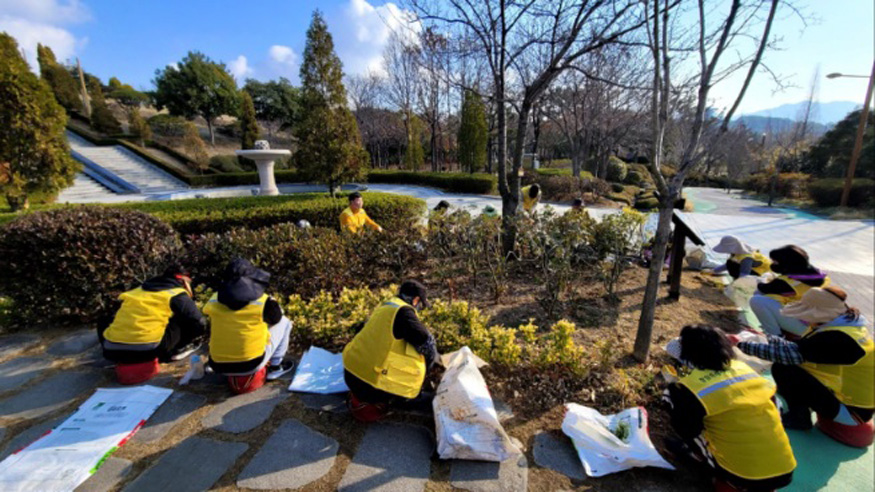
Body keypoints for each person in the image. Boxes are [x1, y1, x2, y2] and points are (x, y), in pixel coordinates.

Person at [665, 325, 796, 491]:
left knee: (671, 400)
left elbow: (687, 430)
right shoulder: (743, 369)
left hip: (743, 475)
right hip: (785, 471)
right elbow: (777, 410)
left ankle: (698, 458)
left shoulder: (688, 387)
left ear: (687, 355)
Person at [735, 287, 873, 444]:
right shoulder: (844, 326)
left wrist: (740, 345)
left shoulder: (840, 339)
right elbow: (800, 347)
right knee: (790, 367)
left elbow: (789, 356)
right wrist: (764, 338)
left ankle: (799, 418)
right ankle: (801, 406)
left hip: (851, 412)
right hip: (847, 401)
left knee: (785, 368)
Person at [342, 280, 439, 419]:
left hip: (350, 374)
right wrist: (427, 371)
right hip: (369, 386)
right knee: (422, 396)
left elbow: (360, 329)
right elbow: (427, 343)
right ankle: (401, 400)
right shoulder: (405, 314)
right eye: (421, 304)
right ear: (416, 300)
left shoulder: (387, 307)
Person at [204, 258, 295, 381]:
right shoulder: (263, 301)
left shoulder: (214, 299)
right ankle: (275, 367)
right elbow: (276, 319)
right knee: (285, 322)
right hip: (251, 364)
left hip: (217, 365)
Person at [98, 264, 205, 364]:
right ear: (183, 281)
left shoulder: (137, 291)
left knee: (104, 319)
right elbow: (199, 322)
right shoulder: (176, 294)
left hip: (111, 353)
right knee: (186, 319)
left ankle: (115, 346)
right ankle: (176, 350)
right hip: (149, 352)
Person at [749, 245, 831, 338]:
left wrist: (761, 280)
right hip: (818, 322)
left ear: (787, 263)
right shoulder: (818, 276)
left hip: (807, 328)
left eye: (775, 261)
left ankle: (774, 337)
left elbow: (763, 287)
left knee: (757, 300)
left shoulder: (789, 283)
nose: (773, 263)